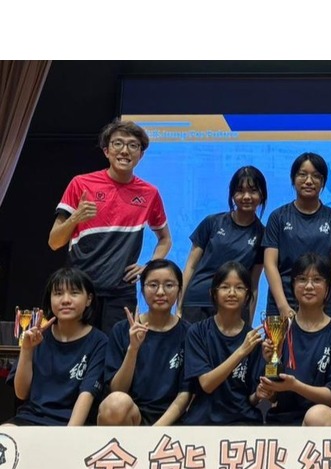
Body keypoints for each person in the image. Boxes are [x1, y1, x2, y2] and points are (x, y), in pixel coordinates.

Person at [48, 119, 172, 332]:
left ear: (141, 154)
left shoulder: (149, 193)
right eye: (118, 143)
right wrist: (75, 218)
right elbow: (54, 242)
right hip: (81, 288)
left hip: (121, 291)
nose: (125, 150)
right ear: (106, 151)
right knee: (77, 347)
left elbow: (165, 239)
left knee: (117, 348)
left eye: (133, 145)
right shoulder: (81, 184)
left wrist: (149, 265)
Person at [4, 268, 107, 426]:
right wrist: (26, 349)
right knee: (5, 433)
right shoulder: (38, 336)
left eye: (74, 293)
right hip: (30, 419)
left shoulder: (99, 342)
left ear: (89, 299)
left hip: (71, 424)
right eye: (58, 293)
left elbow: (87, 394)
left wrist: (67, 437)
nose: (65, 300)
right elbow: (21, 393)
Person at [258, 253, 331, 426]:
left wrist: (295, 386)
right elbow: (273, 397)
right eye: (302, 279)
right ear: (293, 285)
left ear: (328, 288)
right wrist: (271, 363)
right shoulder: (280, 330)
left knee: (316, 416)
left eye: (317, 280)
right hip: (285, 419)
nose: (309, 286)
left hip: (325, 419)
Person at [97, 259, 192, 426]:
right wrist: (133, 349)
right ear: (142, 288)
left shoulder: (189, 333)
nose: (160, 292)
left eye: (169, 285)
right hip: (132, 416)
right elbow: (117, 390)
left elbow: (186, 393)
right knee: (114, 404)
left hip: (171, 420)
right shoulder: (122, 329)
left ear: (179, 290)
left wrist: (154, 432)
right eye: (153, 285)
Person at [179, 166, 266, 324]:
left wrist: (248, 323)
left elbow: (253, 284)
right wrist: (178, 307)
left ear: (262, 195)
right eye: (240, 191)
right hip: (197, 302)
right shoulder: (212, 222)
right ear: (232, 194)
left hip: (233, 307)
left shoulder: (262, 235)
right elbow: (190, 266)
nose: (246, 196)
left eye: (253, 191)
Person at [181, 262, 265, 425]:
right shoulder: (197, 332)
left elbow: (251, 399)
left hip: (242, 420)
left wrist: (259, 395)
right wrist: (241, 352)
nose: (232, 293)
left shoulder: (253, 339)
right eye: (225, 287)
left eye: (239, 288)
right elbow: (207, 384)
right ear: (213, 293)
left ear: (248, 295)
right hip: (204, 420)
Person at [263, 153, 331, 320]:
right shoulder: (278, 217)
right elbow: (270, 264)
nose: (308, 181)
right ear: (293, 179)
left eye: (316, 176)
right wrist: (283, 306)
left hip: (321, 302)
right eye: (302, 174)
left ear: (323, 182)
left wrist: (324, 296)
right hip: (282, 300)